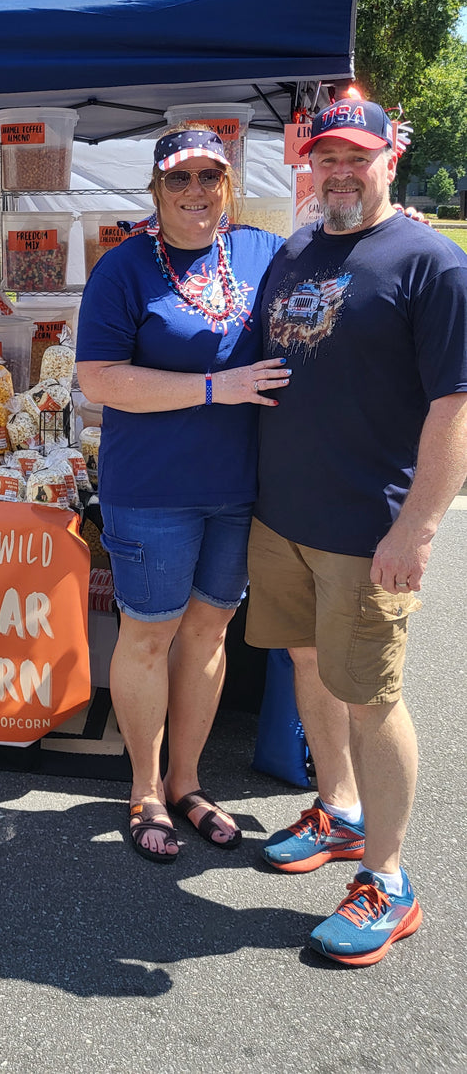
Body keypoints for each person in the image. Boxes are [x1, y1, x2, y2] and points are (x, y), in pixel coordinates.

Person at [247, 95, 467, 965]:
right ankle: (335, 809)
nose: (339, 170)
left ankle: (390, 877)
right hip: (285, 518)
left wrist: (418, 528)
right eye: (325, 157)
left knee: (374, 697)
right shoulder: (298, 250)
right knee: (310, 665)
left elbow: (455, 406)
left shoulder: (430, 262)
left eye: (356, 157)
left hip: (368, 529)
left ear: (389, 161)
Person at [76, 127, 290, 862]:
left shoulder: (264, 253)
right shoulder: (125, 269)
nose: (195, 191)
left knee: (207, 634)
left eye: (210, 176)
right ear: (155, 191)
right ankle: (143, 789)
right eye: (179, 179)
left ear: (229, 183)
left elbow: (334, 285)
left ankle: (188, 780)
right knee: (149, 634)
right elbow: (98, 378)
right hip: (153, 492)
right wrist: (212, 387)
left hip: (238, 489)